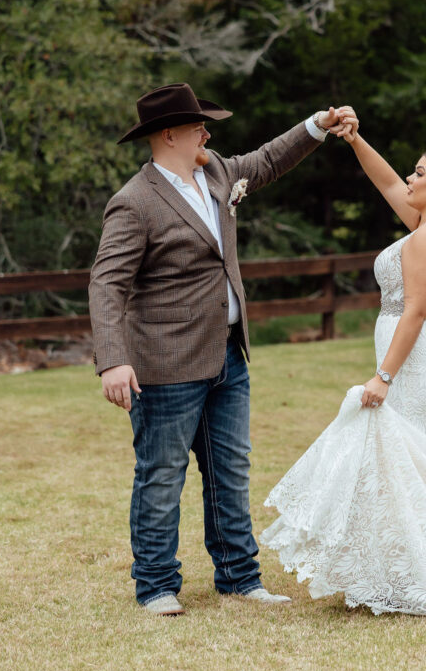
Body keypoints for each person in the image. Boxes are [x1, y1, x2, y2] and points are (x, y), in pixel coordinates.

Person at [88, 82, 350, 616]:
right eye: (198, 125)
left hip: (228, 355)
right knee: (161, 476)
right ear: (169, 135)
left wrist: (317, 125)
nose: (208, 132)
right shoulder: (133, 202)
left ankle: (238, 577)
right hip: (164, 364)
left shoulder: (216, 173)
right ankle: (157, 587)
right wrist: (113, 359)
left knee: (231, 470)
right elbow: (106, 283)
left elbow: (269, 160)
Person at [261, 115, 426, 619]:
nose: (408, 177)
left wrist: (383, 377)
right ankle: (413, 573)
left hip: (424, 364)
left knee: (409, 469)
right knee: (413, 472)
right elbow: (385, 180)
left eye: (419, 172)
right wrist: (355, 140)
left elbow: (417, 311)